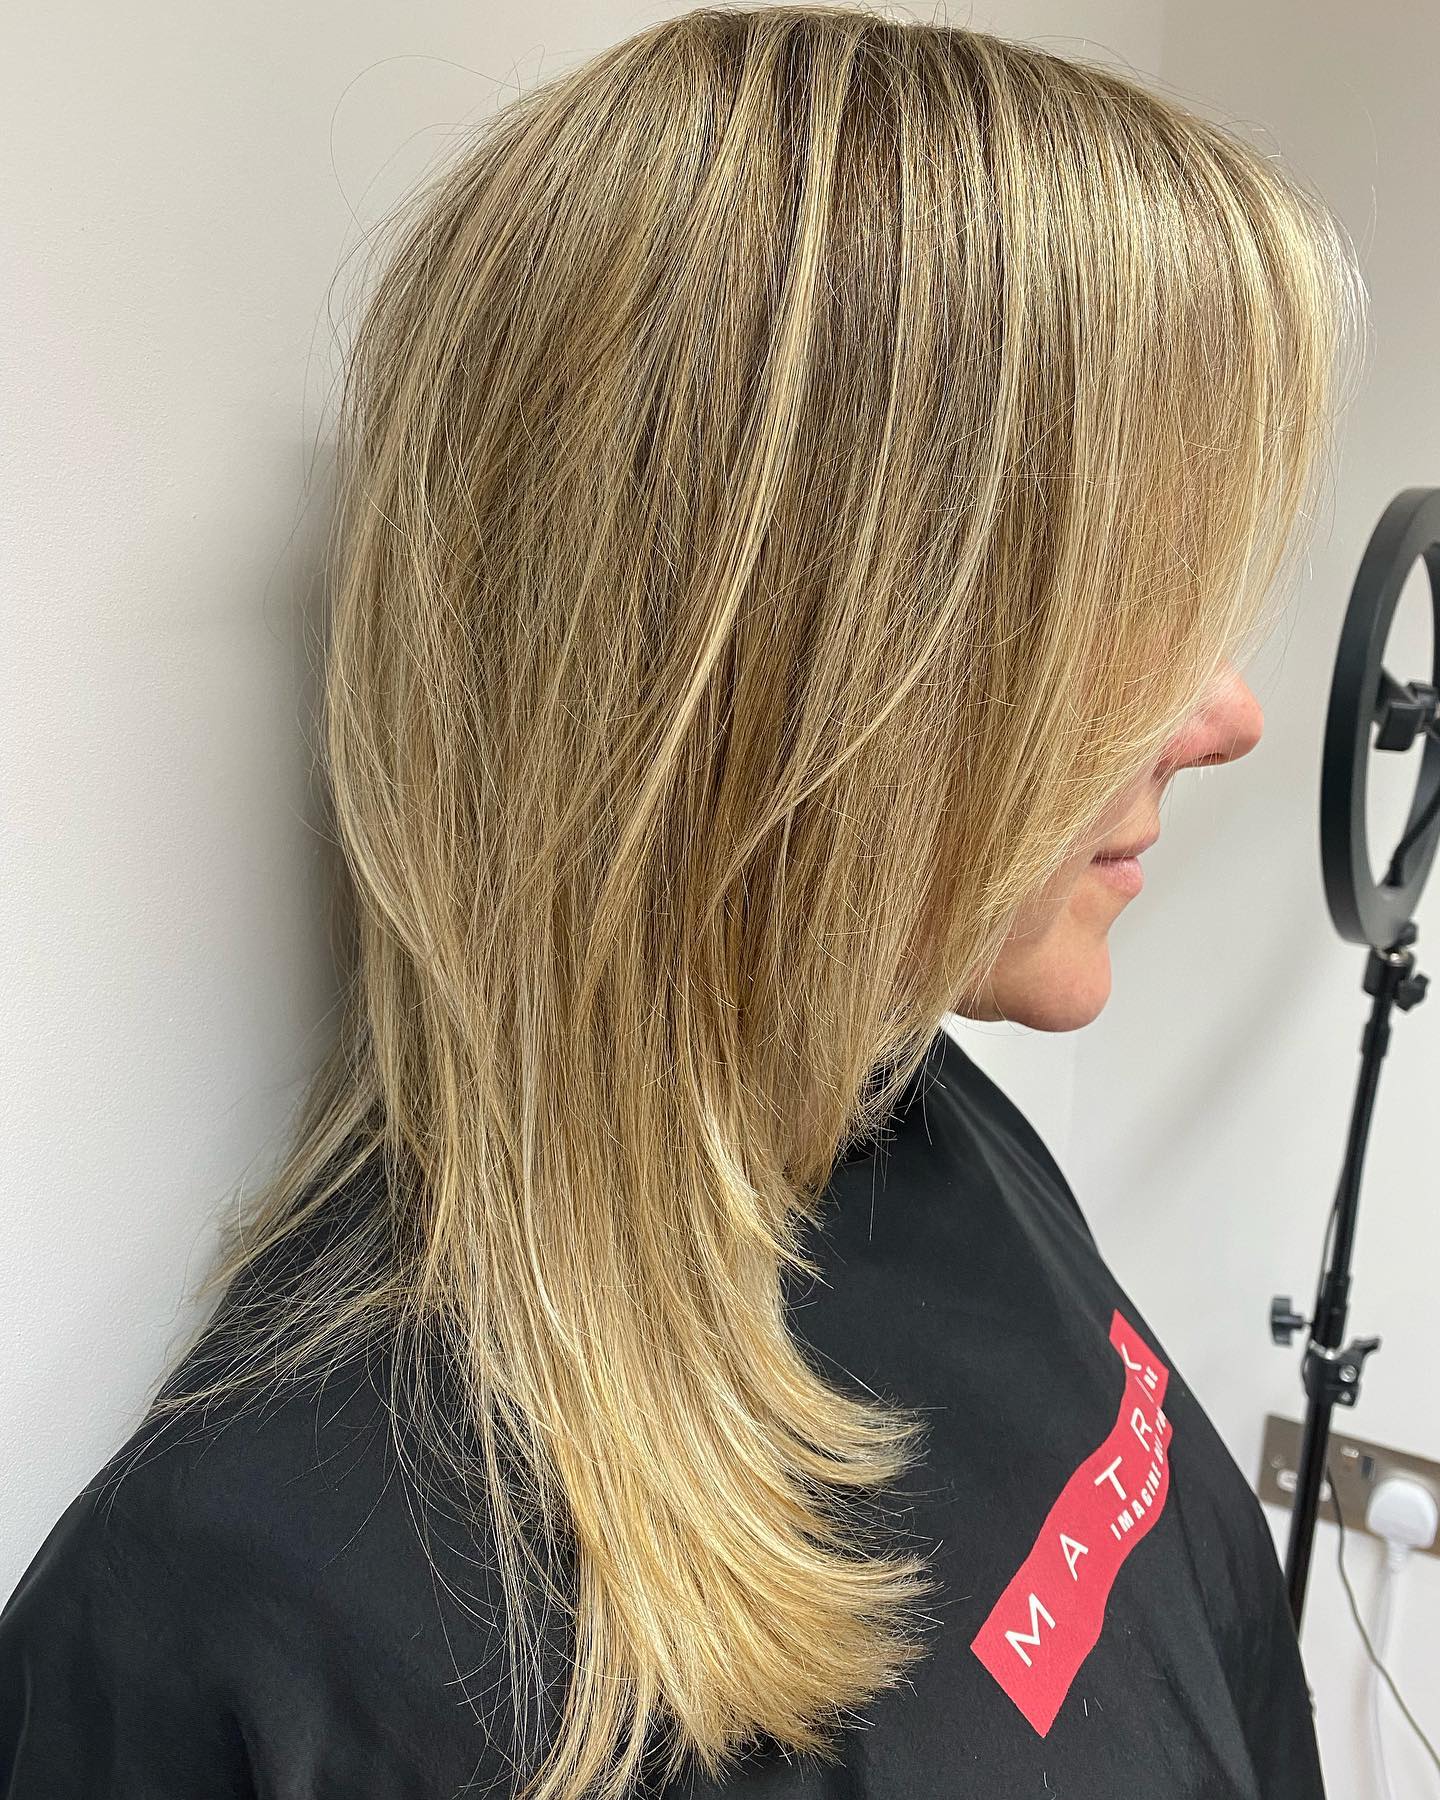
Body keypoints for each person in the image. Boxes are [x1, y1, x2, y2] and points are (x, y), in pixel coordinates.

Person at [0, 7, 1365, 1799]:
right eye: (1112, 601)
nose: (1231, 713)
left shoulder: (927, 1124)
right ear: (772, 663)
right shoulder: (247, 1633)